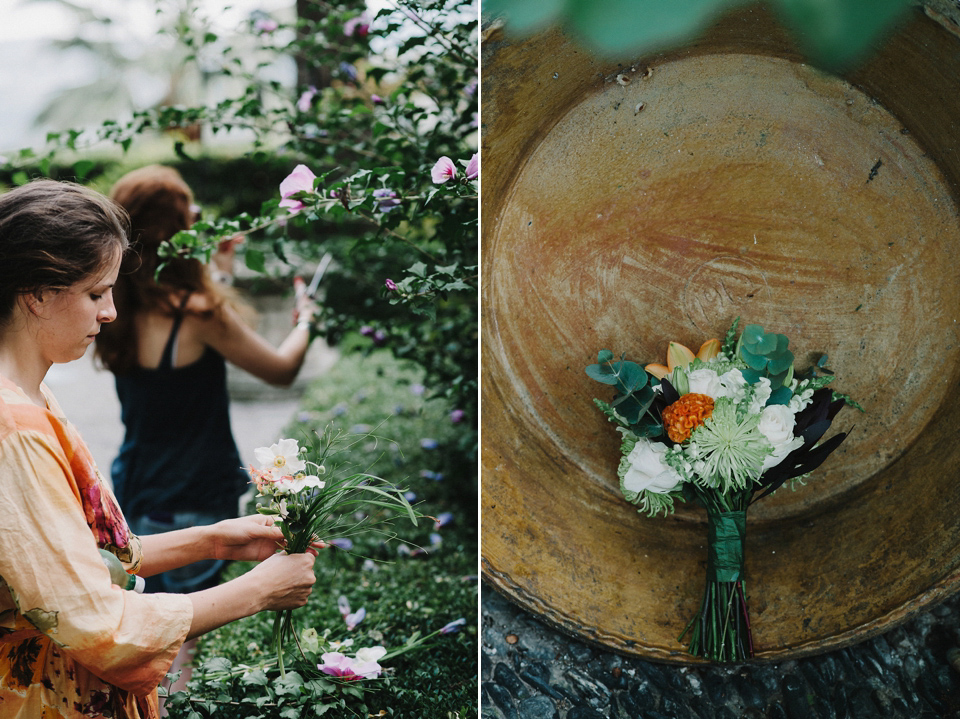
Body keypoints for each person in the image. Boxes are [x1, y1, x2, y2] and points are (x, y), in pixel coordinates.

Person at [0, 179, 318, 719]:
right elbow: (97, 622)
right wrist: (259, 591)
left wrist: (215, 540)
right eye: (96, 293)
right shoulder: (16, 430)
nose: (111, 313)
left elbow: (78, 559)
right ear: (38, 293)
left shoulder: (31, 395)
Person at [92, 165, 317, 697]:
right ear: (178, 232)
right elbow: (279, 368)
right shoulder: (196, 311)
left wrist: (216, 270)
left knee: (146, 630)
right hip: (197, 489)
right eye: (191, 213)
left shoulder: (115, 310)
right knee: (182, 644)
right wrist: (306, 321)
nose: (202, 219)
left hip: (138, 484)